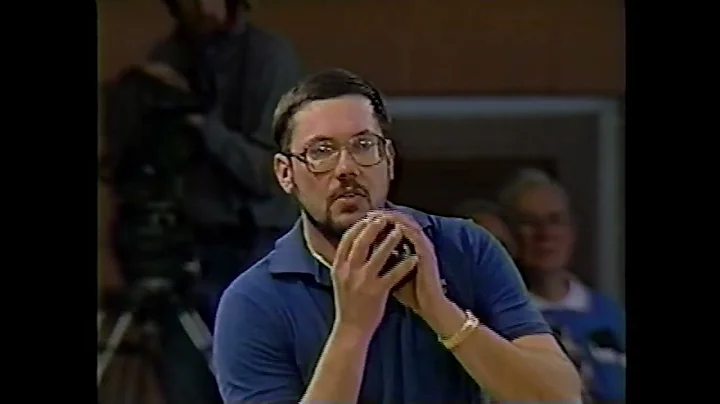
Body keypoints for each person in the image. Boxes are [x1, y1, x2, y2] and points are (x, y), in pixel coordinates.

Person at [212, 68, 581, 404]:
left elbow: (558, 397)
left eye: (363, 145)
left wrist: (439, 310)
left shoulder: (466, 247)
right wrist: (352, 330)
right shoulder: (253, 301)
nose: (346, 168)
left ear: (388, 158)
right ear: (285, 173)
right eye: (321, 152)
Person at [98, 2, 303, 404]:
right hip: (186, 248)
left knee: (251, 381)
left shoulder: (267, 60)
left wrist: (200, 124)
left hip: (254, 245)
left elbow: (271, 175)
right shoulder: (169, 57)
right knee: (186, 383)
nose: (194, 5)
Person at [498, 168, 626, 404]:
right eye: (530, 222)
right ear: (509, 233)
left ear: (572, 230)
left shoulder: (611, 315)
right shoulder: (496, 319)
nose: (545, 234)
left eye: (555, 220)